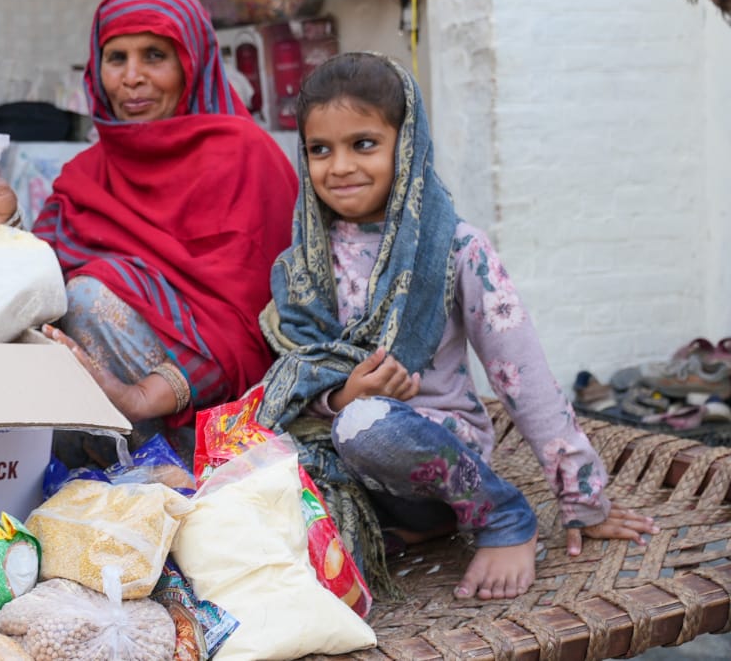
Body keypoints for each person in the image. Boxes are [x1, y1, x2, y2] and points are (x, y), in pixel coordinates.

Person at [255, 52, 657, 602]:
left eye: (364, 144)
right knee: (261, 469)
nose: (340, 165)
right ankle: (422, 526)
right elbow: (297, 374)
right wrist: (344, 393)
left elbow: (523, 376)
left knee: (367, 426)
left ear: (409, 143)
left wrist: (582, 498)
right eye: (319, 149)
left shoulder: (456, 248)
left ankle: (502, 516)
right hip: (352, 466)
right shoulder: (300, 265)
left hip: (434, 447)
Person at [0, 0, 297, 465]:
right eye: (116, 58)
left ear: (192, 65)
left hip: (210, 431)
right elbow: (35, 288)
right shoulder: (87, 174)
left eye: (154, 56)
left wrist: (148, 394)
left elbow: (255, 330)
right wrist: (4, 228)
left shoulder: (246, 158)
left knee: (88, 295)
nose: (132, 78)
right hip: (92, 422)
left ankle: (161, 484)